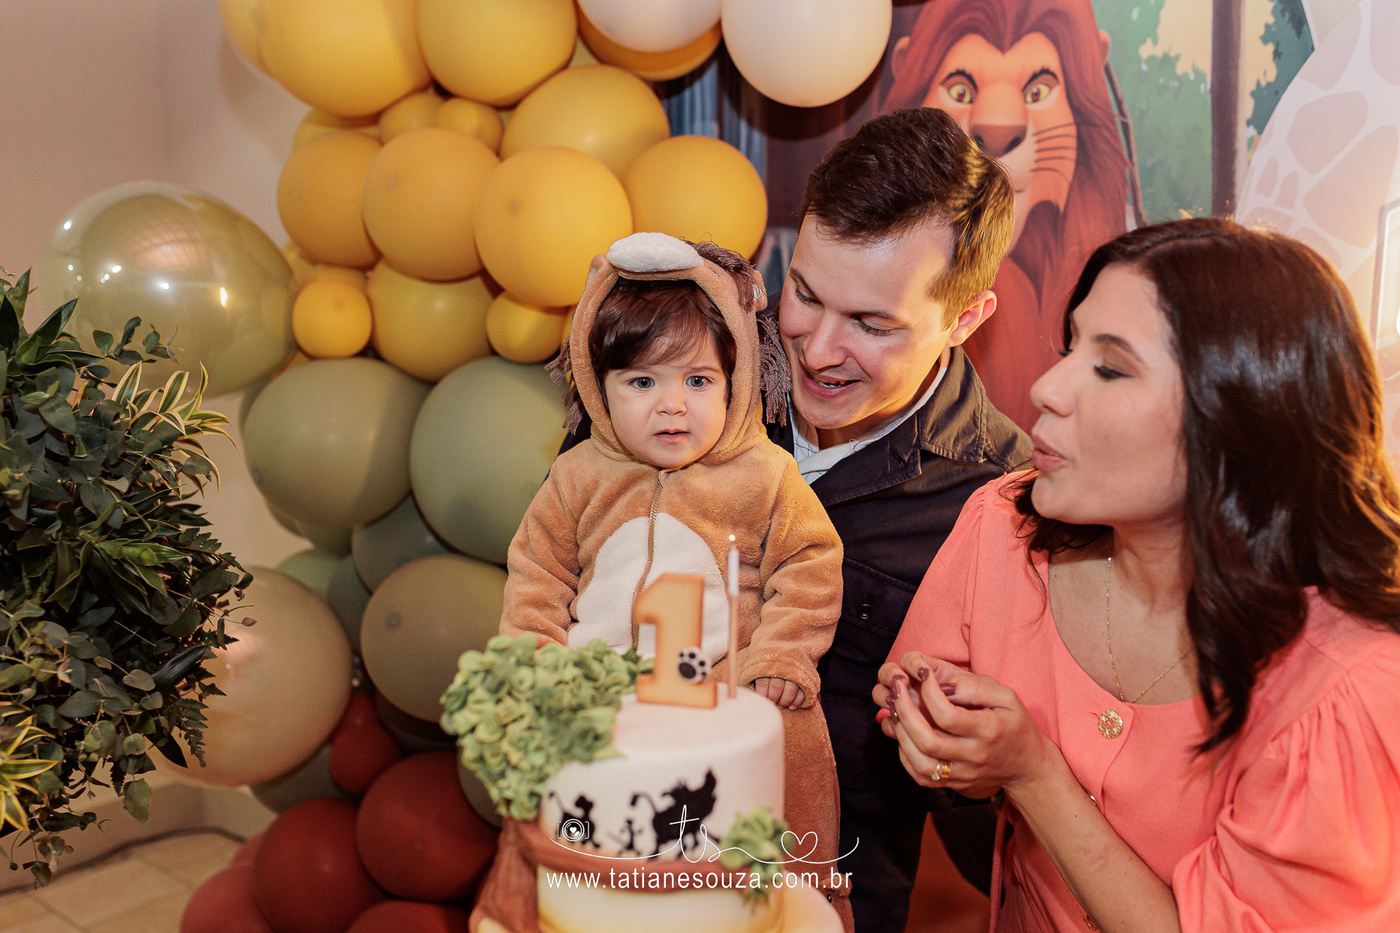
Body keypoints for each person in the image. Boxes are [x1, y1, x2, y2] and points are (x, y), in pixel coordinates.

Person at [560, 108, 1032, 930]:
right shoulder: (695, 355)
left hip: (815, 894)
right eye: (806, 294)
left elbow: (990, 820)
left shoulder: (998, 503)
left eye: (872, 325)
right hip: (612, 850)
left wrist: (968, 762)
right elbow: (565, 542)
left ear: (965, 319)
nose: (815, 349)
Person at [877, 218, 1400, 931]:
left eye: (1111, 368)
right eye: (1070, 348)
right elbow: (919, 717)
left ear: (1240, 417)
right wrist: (942, 744)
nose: (1047, 387)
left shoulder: (1346, 690)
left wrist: (1033, 773)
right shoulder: (1005, 524)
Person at [501, 232, 848, 913]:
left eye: (697, 380)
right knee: (593, 888)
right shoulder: (575, 477)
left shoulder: (765, 475)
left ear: (736, 378)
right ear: (597, 386)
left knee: (756, 880)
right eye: (642, 381)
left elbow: (810, 562)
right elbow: (537, 576)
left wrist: (781, 653)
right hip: (604, 720)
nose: (672, 405)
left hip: (724, 713)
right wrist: (538, 661)